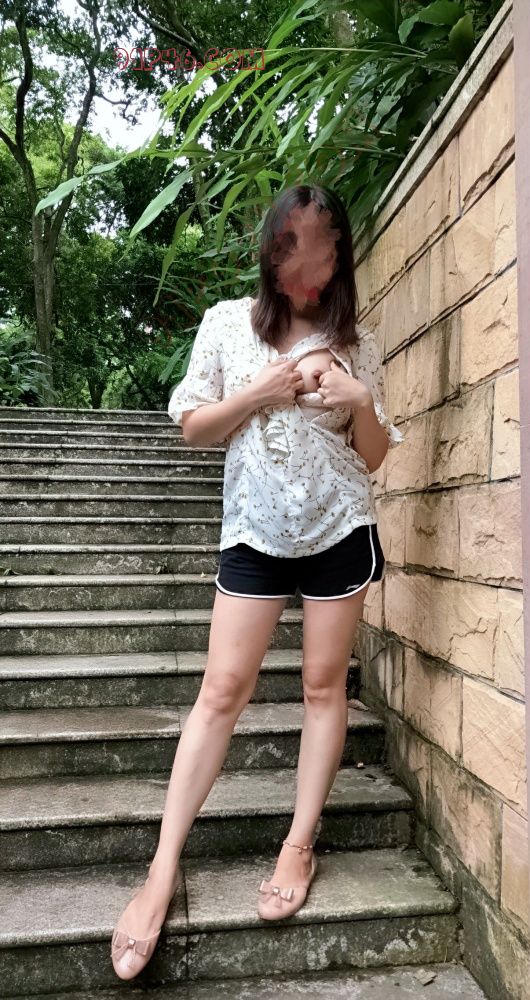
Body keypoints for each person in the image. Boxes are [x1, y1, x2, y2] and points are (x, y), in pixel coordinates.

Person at [110, 183, 404, 980]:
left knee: (322, 689)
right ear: (272, 253)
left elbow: (374, 455)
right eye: (291, 249)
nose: (307, 269)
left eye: (321, 251)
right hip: (254, 534)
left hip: (340, 528)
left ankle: (298, 845)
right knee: (220, 692)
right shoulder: (225, 325)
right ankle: (161, 870)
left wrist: (359, 399)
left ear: (337, 255)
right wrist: (261, 392)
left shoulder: (357, 341)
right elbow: (193, 429)